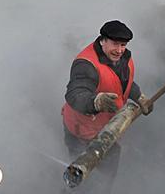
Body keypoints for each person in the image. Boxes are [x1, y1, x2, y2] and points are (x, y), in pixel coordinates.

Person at [61, 20, 153, 192]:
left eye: (123, 45)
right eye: (115, 44)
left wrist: (139, 96)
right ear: (102, 40)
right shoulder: (86, 65)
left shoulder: (122, 58)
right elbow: (75, 94)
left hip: (106, 127)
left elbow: (123, 82)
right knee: (80, 174)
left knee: (106, 172)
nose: (119, 50)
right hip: (83, 131)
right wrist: (96, 102)